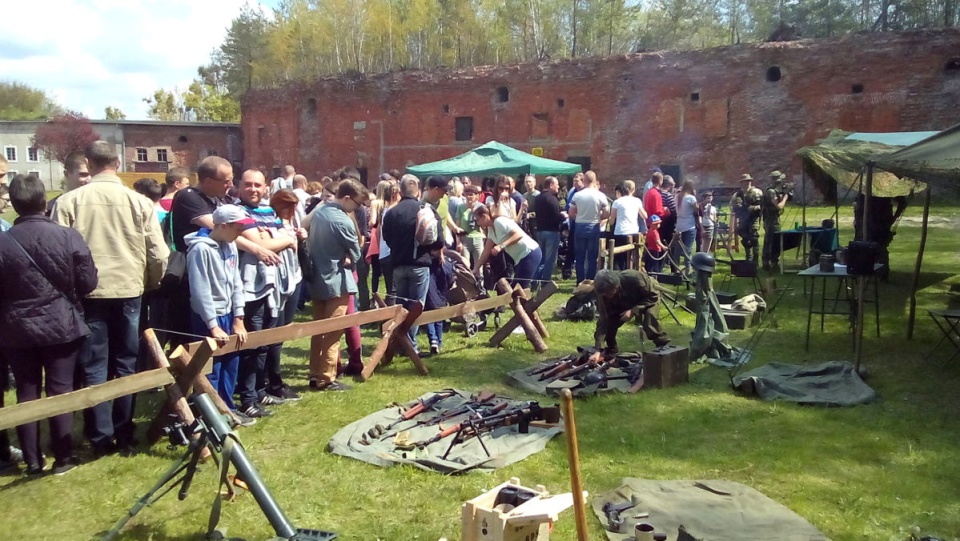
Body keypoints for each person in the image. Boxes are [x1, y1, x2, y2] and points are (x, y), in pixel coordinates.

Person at [52, 141, 169, 457]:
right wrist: (150, 283)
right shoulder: (139, 202)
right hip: (129, 290)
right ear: (118, 162)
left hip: (88, 293)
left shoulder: (68, 202)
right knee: (126, 362)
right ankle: (124, 431)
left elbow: (57, 253)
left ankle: (100, 435)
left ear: (88, 164)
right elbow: (159, 254)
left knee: (94, 364)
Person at [0, 174, 98, 475]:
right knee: (60, 389)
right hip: (60, 323)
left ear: (14, 204)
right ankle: (63, 457)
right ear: (44, 201)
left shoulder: (3, 242)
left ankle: (32, 461)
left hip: (16, 327)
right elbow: (88, 282)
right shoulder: (68, 236)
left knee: (26, 392)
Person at [234, 170, 297, 418]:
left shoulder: (268, 212)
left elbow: (283, 236)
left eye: (258, 185)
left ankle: (260, 391)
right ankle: (247, 398)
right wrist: (278, 238)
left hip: (273, 286)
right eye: (248, 185)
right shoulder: (238, 212)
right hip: (250, 289)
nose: (253, 189)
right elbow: (266, 243)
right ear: (240, 186)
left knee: (266, 342)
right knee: (252, 344)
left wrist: (275, 237)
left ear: (265, 188)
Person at [185, 205, 250, 423]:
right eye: (238, 227)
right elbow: (200, 290)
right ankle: (211, 416)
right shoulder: (200, 250)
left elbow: (236, 283)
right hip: (208, 317)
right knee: (212, 368)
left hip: (229, 314)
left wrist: (239, 318)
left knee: (231, 363)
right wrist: (212, 325)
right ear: (223, 226)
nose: (241, 231)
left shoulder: (230, 247)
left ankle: (228, 409)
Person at [307, 178, 369, 390]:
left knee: (318, 330)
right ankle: (326, 377)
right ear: (347, 198)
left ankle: (315, 373)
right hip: (337, 281)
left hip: (317, 279)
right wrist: (350, 256)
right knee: (333, 331)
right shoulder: (342, 221)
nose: (359, 208)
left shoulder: (320, 212)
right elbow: (356, 253)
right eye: (358, 203)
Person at [165, 156, 233, 348]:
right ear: (209, 181)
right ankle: (185, 376)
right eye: (226, 181)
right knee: (188, 336)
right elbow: (220, 229)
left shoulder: (220, 199)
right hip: (189, 276)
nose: (230, 185)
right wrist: (258, 249)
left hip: (215, 275)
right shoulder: (188, 197)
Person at [383, 174, 442, 351]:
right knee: (416, 307)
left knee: (401, 306)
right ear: (418, 189)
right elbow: (438, 240)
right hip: (420, 264)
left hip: (398, 264)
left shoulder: (392, 212)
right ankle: (410, 344)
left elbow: (386, 237)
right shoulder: (426, 210)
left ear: (400, 190)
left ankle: (403, 343)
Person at [265, 189, 304, 401]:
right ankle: (273, 381)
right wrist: (288, 241)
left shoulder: (289, 223)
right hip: (277, 282)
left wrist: (299, 238)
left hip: (293, 277)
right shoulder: (269, 222)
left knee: (284, 330)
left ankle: (274, 378)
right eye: (289, 207)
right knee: (274, 334)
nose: (292, 211)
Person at [587, 269, 670, 363]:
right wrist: (598, 350)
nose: (608, 295)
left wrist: (633, 311)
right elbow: (603, 321)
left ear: (616, 286)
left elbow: (652, 296)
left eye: (610, 292)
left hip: (646, 296)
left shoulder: (633, 278)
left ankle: (664, 347)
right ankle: (611, 352)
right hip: (624, 301)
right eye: (605, 294)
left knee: (649, 320)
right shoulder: (602, 295)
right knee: (609, 325)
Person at [471, 205, 542, 290]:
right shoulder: (491, 229)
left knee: (517, 289)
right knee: (516, 290)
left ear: (484, 216)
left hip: (530, 253)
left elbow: (518, 235)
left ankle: (528, 302)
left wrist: (501, 246)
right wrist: (475, 269)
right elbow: (486, 251)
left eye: (478, 220)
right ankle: (524, 302)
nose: (478, 224)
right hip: (520, 258)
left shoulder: (499, 221)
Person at [569, 170, 610, 283]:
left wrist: (579, 216)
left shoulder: (577, 195)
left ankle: (580, 281)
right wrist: (598, 216)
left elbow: (571, 213)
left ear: (584, 180)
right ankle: (590, 281)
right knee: (592, 257)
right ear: (595, 180)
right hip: (594, 225)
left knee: (580, 256)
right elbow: (606, 213)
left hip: (580, 225)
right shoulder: (601, 195)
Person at [609, 179, 646, 270]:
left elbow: (612, 221)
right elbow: (644, 215)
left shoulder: (617, 202)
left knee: (618, 258)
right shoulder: (637, 201)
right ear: (633, 190)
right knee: (631, 257)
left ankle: (618, 277)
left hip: (620, 231)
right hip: (633, 231)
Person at [533, 176, 564, 283]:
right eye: (556, 184)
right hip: (552, 231)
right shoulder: (552, 199)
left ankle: (534, 280)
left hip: (540, 231)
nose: (558, 187)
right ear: (551, 185)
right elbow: (556, 217)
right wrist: (564, 216)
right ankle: (545, 282)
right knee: (549, 260)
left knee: (541, 258)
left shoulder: (537, 198)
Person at [424, 250, 455, 355]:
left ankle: (433, 340)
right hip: (441, 296)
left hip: (429, 294)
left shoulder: (427, 264)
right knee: (439, 319)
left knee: (428, 317)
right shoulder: (447, 265)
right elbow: (450, 282)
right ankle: (439, 341)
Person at [730, 173, 763, 265]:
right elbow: (732, 207)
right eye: (745, 182)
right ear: (741, 183)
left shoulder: (757, 192)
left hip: (753, 219)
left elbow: (764, 205)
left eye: (748, 181)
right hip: (743, 220)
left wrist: (756, 207)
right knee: (745, 239)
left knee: (754, 238)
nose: (747, 183)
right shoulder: (737, 195)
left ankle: (755, 261)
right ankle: (749, 258)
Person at [45, 152, 91, 216]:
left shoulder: (100, 206)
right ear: (67, 174)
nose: (89, 179)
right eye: (83, 175)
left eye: (93, 175)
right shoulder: (51, 209)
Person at [761, 170, 789, 272]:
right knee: (772, 241)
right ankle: (769, 263)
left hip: (773, 219)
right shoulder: (771, 192)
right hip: (771, 220)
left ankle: (771, 262)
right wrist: (786, 196)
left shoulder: (775, 190)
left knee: (773, 241)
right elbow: (778, 206)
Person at [455, 185, 486, 269]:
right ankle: (467, 282)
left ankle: (480, 281)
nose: (469, 197)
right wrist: (458, 242)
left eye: (471, 194)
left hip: (478, 238)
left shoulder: (481, 207)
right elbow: (457, 226)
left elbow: (484, 225)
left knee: (479, 267)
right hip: (465, 238)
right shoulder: (461, 207)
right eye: (467, 194)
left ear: (476, 196)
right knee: (465, 266)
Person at [674, 179, 700, 274]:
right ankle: (688, 269)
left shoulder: (677, 196)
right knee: (688, 249)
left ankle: (676, 268)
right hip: (689, 226)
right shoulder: (691, 198)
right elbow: (696, 211)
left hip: (679, 225)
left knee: (677, 249)